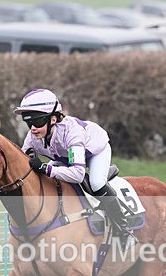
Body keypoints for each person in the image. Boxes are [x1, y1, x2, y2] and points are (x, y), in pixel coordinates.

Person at [13, 88, 135, 245]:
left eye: (37, 122)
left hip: (95, 152)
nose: (33, 128)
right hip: (65, 158)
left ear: (54, 119)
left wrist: (46, 168)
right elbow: (25, 161)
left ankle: (125, 230)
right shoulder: (33, 136)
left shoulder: (72, 133)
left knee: (97, 183)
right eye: (28, 122)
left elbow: (77, 174)